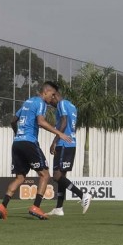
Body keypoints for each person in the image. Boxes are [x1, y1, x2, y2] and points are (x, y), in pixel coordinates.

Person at [0, 81, 71, 220]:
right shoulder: (41, 103)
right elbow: (40, 122)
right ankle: (36, 206)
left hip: (17, 143)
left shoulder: (27, 102)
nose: (53, 98)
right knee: (45, 174)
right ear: (46, 92)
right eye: (52, 94)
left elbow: (13, 120)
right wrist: (59, 133)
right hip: (29, 142)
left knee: (20, 178)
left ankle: (2, 206)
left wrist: (17, 133)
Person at [47, 88, 92, 216]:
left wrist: (55, 141)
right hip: (71, 143)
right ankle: (59, 208)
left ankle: (83, 195)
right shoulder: (71, 105)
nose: (51, 104)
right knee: (61, 177)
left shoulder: (61, 104)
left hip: (63, 144)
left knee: (56, 176)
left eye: (51, 101)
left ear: (54, 95)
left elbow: (64, 121)